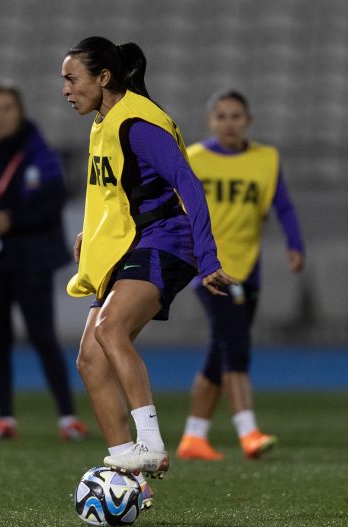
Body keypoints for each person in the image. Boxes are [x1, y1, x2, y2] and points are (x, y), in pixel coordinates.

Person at [60, 35, 235, 495]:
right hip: (132, 244)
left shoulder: (137, 123)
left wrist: (208, 256)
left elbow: (188, 185)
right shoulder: (105, 121)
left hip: (166, 241)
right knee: (90, 360)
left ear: (103, 77)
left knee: (110, 329)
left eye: (72, 79)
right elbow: (113, 192)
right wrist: (90, 234)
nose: (65, 89)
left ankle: (151, 443)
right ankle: (131, 477)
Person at [0, 82, 89, 442]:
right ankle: (5, 419)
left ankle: (67, 417)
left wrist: (8, 221)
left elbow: (52, 202)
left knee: (43, 337)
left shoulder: (38, 152)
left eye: (6, 107)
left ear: (20, 111)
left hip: (31, 259)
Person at [176, 89, 305, 461]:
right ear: (209, 122)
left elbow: (283, 204)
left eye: (235, 116)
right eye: (221, 116)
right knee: (236, 345)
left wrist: (295, 244)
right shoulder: (195, 159)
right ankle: (247, 431)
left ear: (248, 121)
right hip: (209, 268)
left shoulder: (265, 159)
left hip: (249, 268)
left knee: (221, 351)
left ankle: (193, 436)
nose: (228, 123)